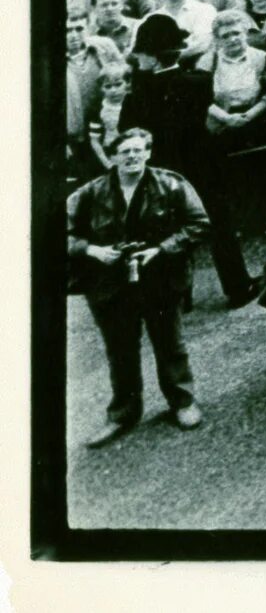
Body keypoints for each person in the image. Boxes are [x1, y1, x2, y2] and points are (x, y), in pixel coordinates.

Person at [68, 125, 209, 447]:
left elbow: (199, 224)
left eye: (137, 150)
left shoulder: (171, 184)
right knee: (120, 351)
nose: (132, 156)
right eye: (124, 151)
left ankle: (183, 401)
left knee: (170, 343)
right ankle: (123, 413)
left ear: (148, 152)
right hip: (109, 283)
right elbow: (56, 229)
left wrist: (161, 248)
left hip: (160, 278)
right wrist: (91, 250)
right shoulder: (90, 192)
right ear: (113, 156)